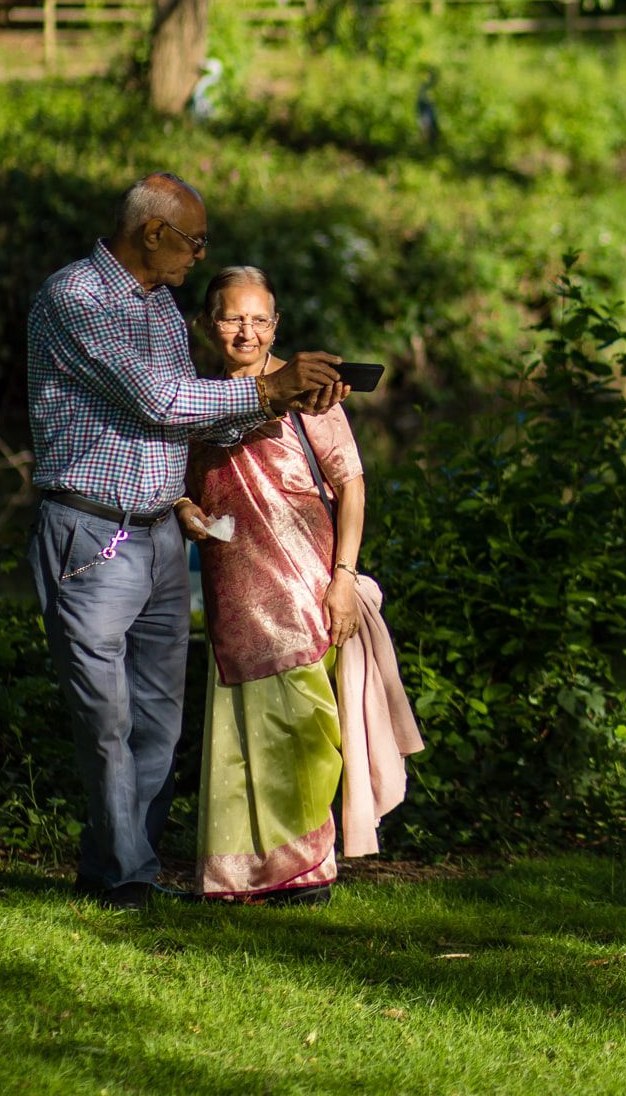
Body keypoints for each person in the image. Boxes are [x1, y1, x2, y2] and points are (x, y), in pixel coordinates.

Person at [26, 172, 347, 911]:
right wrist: (267, 389)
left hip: (164, 535)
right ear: (152, 233)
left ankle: (118, 867)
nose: (199, 256)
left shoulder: (166, 311)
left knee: (158, 721)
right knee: (106, 719)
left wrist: (288, 399)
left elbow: (190, 421)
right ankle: (126, 877)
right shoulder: (76, 299)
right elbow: (159, 398)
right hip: (91, 534)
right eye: (193, 241)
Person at [180, 265, 424, 905]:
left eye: (260, 319)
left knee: (309, 722)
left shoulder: (308, 393)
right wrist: (184, 511)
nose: (246, 331)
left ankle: (307, 867)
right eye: (233, 317)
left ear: (277, 325)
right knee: (238, 724)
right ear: (209, 323)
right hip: (232, 575)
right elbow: (176, 478)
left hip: (304, 580)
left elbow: (351, 484)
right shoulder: (193, 396)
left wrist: (343, 579)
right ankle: (236, 874)